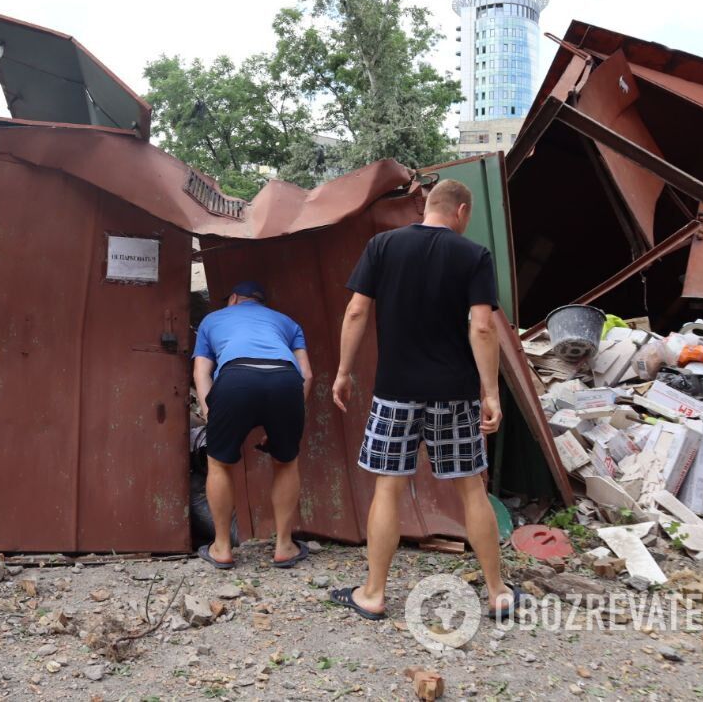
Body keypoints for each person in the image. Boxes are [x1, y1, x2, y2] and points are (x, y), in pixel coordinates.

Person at [330, 179, 517, 620]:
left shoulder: (382, 246)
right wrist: (490, 393)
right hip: (454, 394)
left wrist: (342, 372)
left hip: (395, 391)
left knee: (388, 489)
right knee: (471, 489)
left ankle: (373, 594)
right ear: (462, 211)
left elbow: (356, 310)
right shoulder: (473, 255)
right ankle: (497, 592)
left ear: (428, 207)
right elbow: (483, 328)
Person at [192, 281, 313, 570]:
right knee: (286, 462)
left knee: (220, 463)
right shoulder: (287, 322)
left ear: (233, 298)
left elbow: (201, 371)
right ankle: (284, 546)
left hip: (236, 377)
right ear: (262, 302)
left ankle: (221, 548)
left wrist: (211, 413)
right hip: (285, 379)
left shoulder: (212, 319)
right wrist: (290, 414)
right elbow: (307, 374)